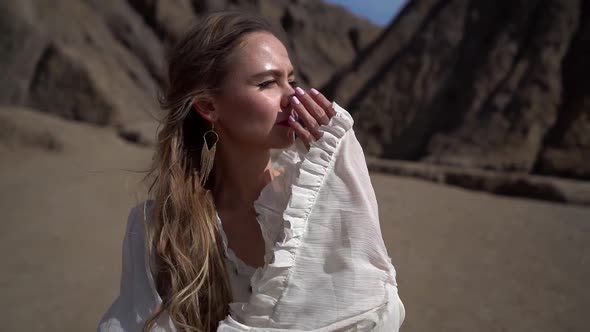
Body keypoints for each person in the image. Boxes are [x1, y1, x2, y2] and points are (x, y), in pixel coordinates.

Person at [98, 11, 405, 332]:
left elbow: (377, 316)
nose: (293, 97)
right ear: (208, 106)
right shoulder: (161, 230)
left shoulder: (318, 208)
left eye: (293, 80)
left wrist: (346, 181)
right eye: (268, 83)